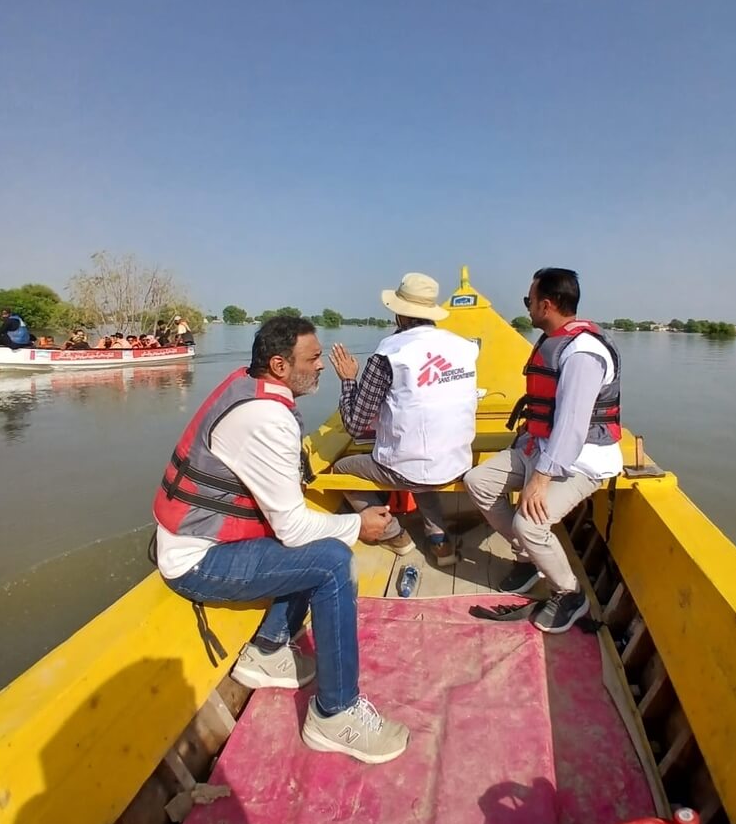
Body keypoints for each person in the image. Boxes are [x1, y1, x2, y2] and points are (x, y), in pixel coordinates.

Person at [152, 316, 409, 764]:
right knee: (330, 559)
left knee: (318, 547)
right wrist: (359, 525)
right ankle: (335, 714)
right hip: (197, 561)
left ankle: (268, 650)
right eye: (312, 359)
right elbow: (292, 529)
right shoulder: (268, 418)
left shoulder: (248, 385)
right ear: (279, 365)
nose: (322, 367)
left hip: (193, 540)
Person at [463, 268, 622, 634]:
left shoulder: (583, 352)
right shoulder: (552, 339)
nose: (528, 308)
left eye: (528, 301)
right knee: (479, 482)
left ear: (546, 304)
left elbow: (572, 426)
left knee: (529, 521)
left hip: (582, 459)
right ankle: (528, 557)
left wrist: (539, 479)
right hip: (541, 446)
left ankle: (569, 593)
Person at [330, 273, 479, 567]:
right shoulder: (463, 347)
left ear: (400, 314)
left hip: (411, 468)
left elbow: (355, 423)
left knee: (340, 471)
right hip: (458, 462)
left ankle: (394, 534)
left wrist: (348, 380)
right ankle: (440, 541)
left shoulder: (390, 352)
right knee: (422, 464)